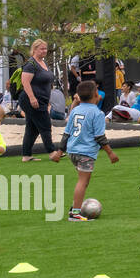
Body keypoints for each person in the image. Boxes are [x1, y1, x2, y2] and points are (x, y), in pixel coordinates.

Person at [61, 81, 119, 222]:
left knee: (84, 181)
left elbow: (66, 133)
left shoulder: (75, 110)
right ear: (96, 94)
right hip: (85, 152)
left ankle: (75, 206)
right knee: (83, 181)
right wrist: (110, 153)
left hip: (72, 150)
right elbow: (99, 137)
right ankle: (75, 213)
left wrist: (59, 150)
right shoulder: (97, 113)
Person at [19, 39, 58, 163]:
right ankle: (52, 152)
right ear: (34, 49)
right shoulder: (31, 64)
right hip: (31, 99)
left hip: (41, 99)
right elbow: (25, 82)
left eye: (45, 48)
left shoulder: (43, 63)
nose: (44, 51)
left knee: (32, 127)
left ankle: (26, 155)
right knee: (45, 124)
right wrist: (32, 98)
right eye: (41, 49)